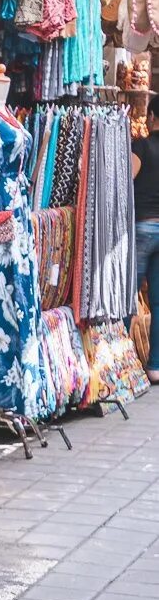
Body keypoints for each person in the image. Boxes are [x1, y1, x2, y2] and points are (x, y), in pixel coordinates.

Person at [131, 95, 159, 385]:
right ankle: (156, 366)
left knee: (127, 295)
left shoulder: (141, 145)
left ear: (151, 117)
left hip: (143, 227)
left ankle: (121, 357)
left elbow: (126, 179)